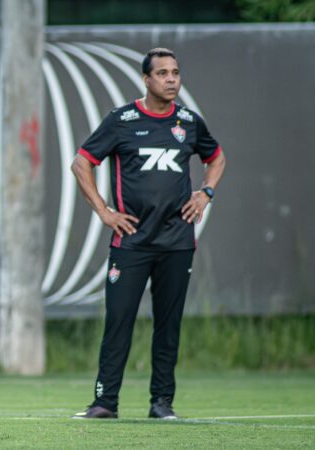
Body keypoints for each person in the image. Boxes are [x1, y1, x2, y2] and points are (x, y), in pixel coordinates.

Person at [70, 48, 226, 419]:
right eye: (162, 73)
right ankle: (105, 402)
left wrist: (205, 193)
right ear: (146, 79)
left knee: (168, 325)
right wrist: (105, 212)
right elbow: (81, 163)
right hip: (131, 242)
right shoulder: (121, 120)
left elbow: (216, 158)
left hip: (177, 242)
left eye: (175, 72)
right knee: (119, 320)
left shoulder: (189, 122)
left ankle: (162, 404)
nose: (171, 79)